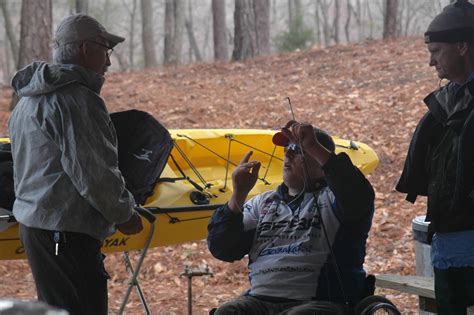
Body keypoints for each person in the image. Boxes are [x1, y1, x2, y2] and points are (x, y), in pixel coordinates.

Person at [8, 14, 143, 315]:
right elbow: (94, 174)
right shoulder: (77, 100)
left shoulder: (27, 100)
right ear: (84, 49)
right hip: (64, 232)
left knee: (58, 309)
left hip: (38, 229)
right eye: (105, 51)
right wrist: (125, 215)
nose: (108, 62)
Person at [207, 120, 375, 314]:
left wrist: (313, 146)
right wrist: (238, 194)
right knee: (228, 311)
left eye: (297, 149)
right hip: (259, 302)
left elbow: (357, 192)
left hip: (323, 302)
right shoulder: (261, 203)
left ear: (321, 164)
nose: (288, 154)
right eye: (287, 149)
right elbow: (223, 248)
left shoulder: (336, 198)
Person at [396, 1, 474, 314]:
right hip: (450, 240)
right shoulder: (448, 104)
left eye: (437, 51)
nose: (431, 63)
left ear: (463, 46)